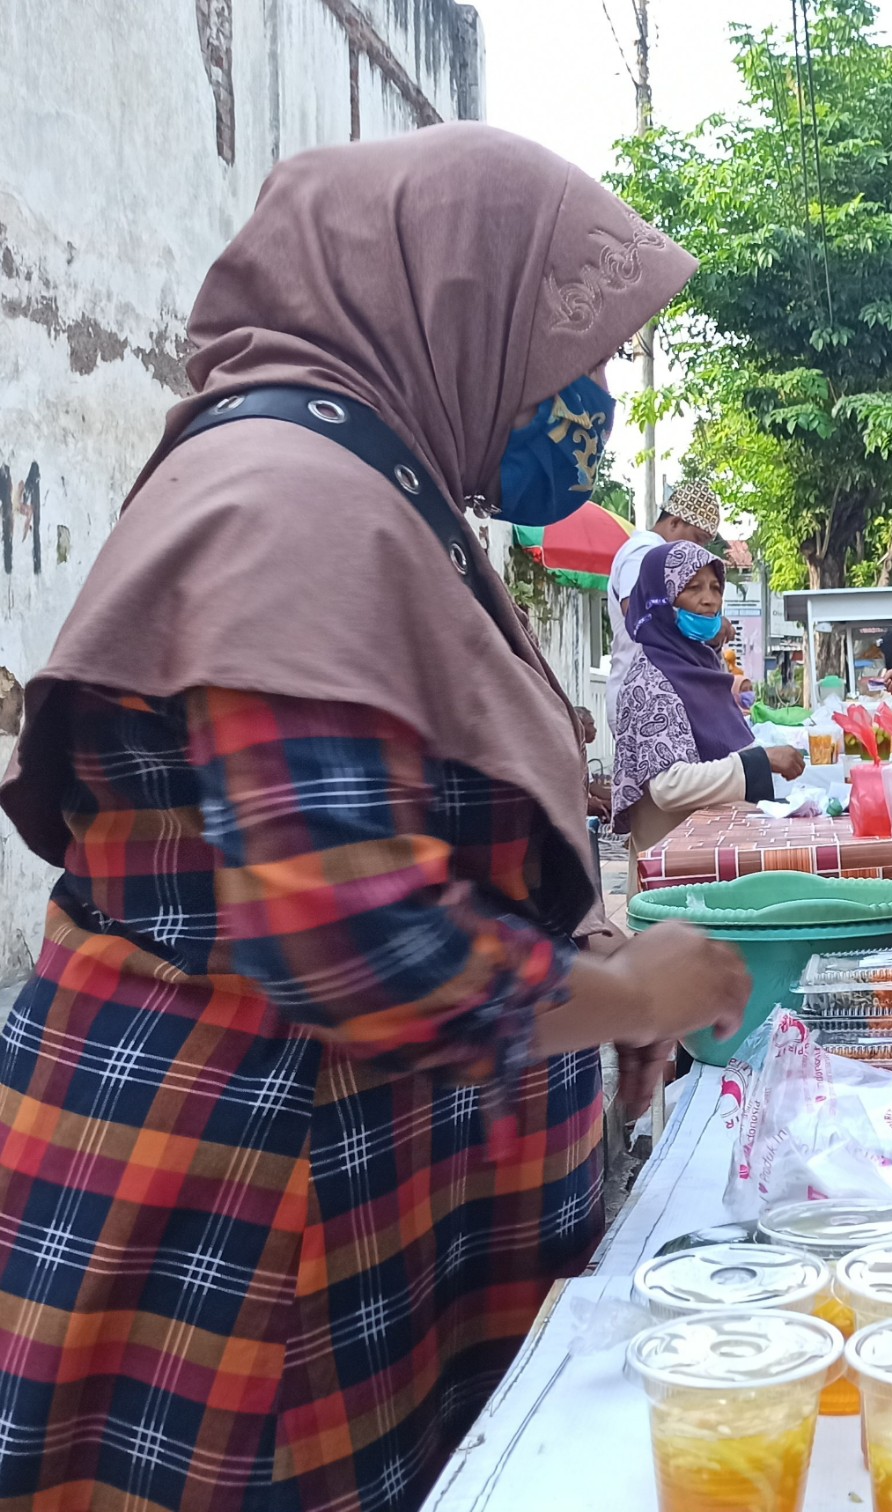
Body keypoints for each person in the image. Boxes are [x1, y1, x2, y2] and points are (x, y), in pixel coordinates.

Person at [0, 126, 750, 1512]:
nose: (582, 397)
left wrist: (592, 974)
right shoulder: (292, 502)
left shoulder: (378, 489)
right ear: (455, 302)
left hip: (340, 1203)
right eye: (563, 351)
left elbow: (438, 818)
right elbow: (346, 928)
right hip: (247, 1232)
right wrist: (621, 987)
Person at [611, 540, 803, 855]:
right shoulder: (652, 678)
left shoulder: (699, 666)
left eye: (715, 588)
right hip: (674, 868)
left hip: (711, 851)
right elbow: (669, 787)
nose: (709, 601)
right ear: (660, 598)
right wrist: (760, 761)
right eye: (693, 588)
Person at [606, 477, 719, 729]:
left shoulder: (661, 559)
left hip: (661, 693)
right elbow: (636, 613)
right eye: (698, 540)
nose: (699, 550)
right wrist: (694, 621)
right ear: (675, 522)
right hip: (640, 697)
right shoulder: (643, 552)